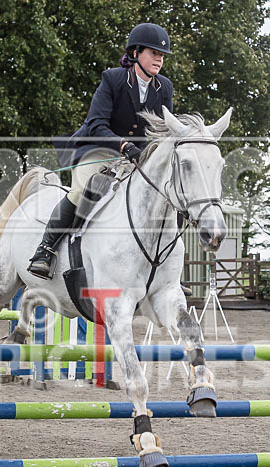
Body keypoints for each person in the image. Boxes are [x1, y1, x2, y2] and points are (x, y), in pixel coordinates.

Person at [27, 23, 174, 279]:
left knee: (165, 194)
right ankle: (45, 249)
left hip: (136, 155)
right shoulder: (113, 79)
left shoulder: (164, 87)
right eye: (154, 53)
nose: (159, 59)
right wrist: (123, 145)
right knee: (85, 187)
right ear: (136, 53)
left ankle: (166, 272)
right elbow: (96, 124)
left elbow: (164, 130)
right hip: (98, 149)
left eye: (161, 55)